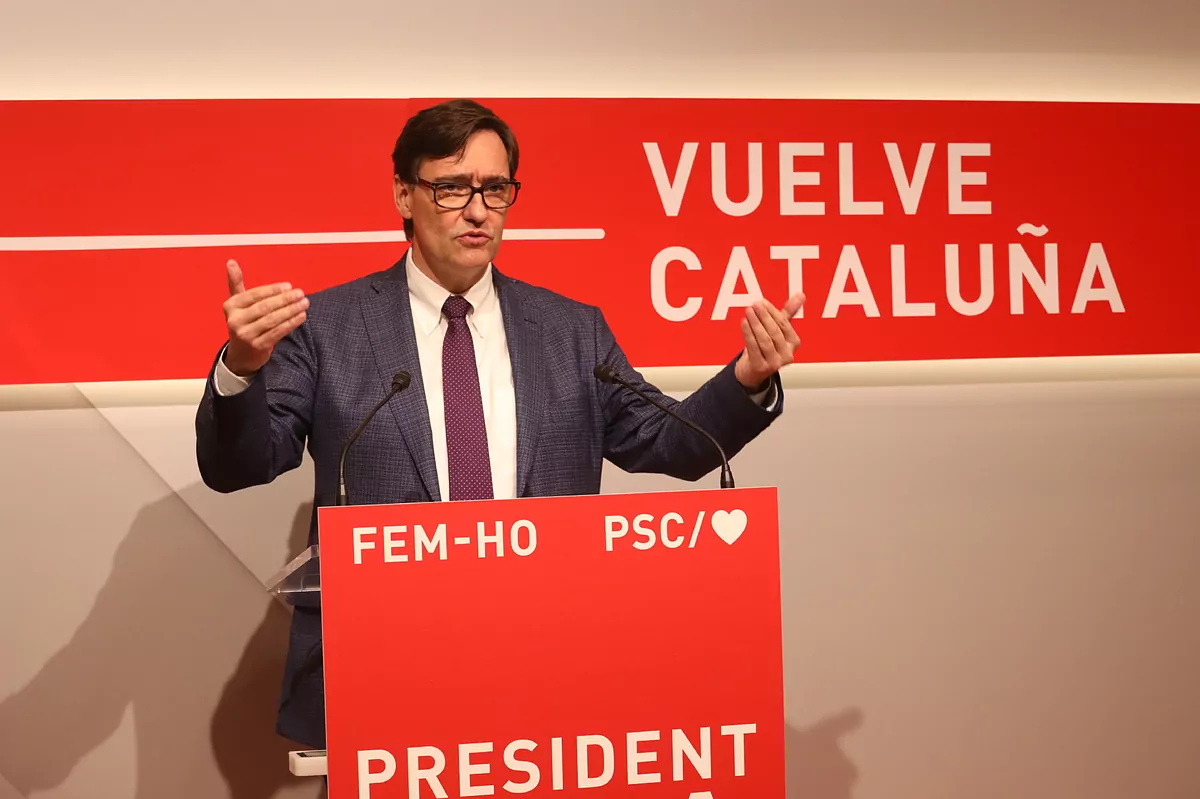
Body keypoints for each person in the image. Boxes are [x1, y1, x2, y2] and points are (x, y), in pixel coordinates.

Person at [194, 98, 804, 749]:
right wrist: (242, 368)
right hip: (383, 673)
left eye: (495, 189)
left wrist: (747, 378)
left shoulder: (571, 331)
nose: (478, 210)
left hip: (548, 666)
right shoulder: (329, 329)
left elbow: (673, 444)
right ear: (403, 195)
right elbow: (240, 466)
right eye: (453, 188)